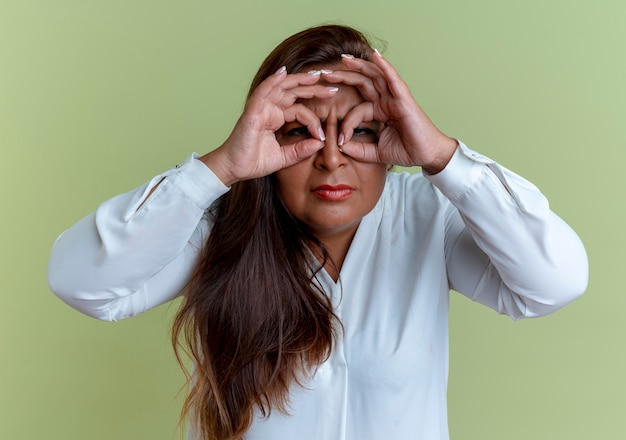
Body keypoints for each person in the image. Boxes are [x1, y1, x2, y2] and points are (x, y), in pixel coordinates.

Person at [47, 24, 588, 440]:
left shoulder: (430, 216)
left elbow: (553, 282)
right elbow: (82, 283)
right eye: (299, 133)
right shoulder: (213, 224)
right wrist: (216, 171)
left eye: (361, 131)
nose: (331, 159)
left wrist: (444, 158)